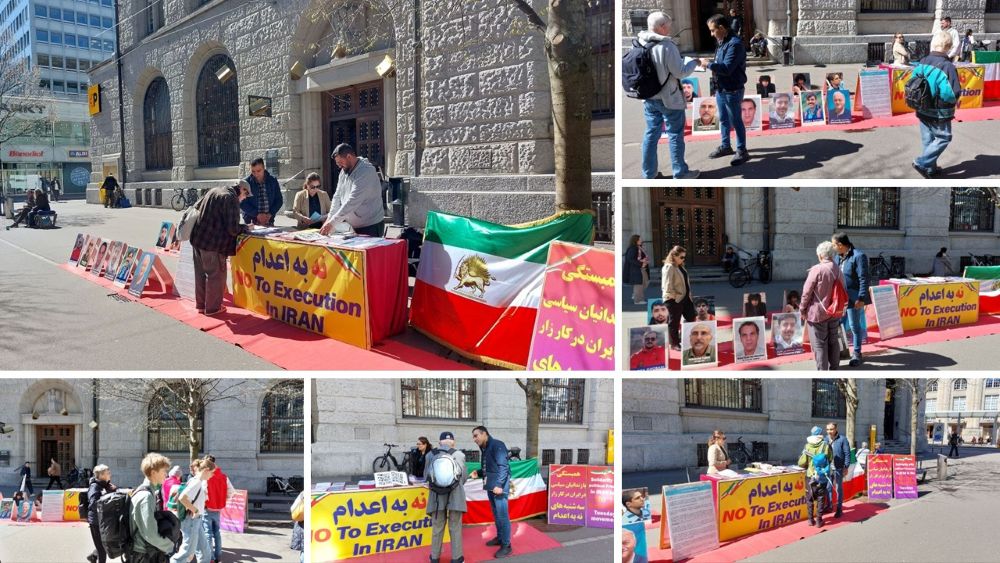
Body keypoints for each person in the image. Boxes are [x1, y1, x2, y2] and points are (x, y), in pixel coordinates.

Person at [637, 12, 701, 180]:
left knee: (651, 134)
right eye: (669, 25)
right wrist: (694, 62)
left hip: (649, 97)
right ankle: (680, 173)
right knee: (675, 134)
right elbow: (680, 72)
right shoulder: (667, 46)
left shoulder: (639, 42)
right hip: (669, 98)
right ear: (662, 27)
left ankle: (649, 174)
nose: (670, 29)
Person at [189, 181, 251, 316]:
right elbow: (233, 228)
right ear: (241, 189)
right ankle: (212, 308)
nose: (245, 198)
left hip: (198, 239)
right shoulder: (230, 198)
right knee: (215, 275)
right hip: (213, 243)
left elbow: (197, 208)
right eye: (246, 194)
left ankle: (201, 305)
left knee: (200, 274)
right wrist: (246, 227)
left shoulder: (214, 190)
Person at [700, 14, 750, 166]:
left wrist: (707, 64)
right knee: (723, 119)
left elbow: (727, 68)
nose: (711, 34)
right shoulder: (722, 41)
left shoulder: (734, 44)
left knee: (735, 120)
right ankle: (726, 146)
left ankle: (742, 150)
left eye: (713, 30)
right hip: (721, 88)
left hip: (732, 89)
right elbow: (720, 63)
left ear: (721, 28)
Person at [910, 31, 961, 178]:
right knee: (944, 137)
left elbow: (913, 81)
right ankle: (922, 163)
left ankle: (930, 169)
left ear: (933, 44)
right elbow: (950, 92)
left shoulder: (923, 61)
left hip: (922, 106)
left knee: (929, 140)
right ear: (949, 47)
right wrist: (952, 102)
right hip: (939, 111)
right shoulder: (947, 66)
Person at [320, 144, 386, 237]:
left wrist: (332, 223)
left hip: (371, 226)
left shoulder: (366, 172)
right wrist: (329, 219)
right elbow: (337, 196)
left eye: (340, 162)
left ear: (349, 156)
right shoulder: (344, 171)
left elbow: (353, 201)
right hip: (353, 226)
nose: (339, 166)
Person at [800, 241, 845, 370]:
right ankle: (835, 368)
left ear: (820, 255)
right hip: (835, 311)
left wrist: (802, 309)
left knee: (819, 345)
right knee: (833, 341)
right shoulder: (838, 268)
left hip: (818, 313)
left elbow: (806, 292)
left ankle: (822, 370)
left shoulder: (817, 269)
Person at [469, 426, 512, 559]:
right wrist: (480, 472)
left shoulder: (497, 445)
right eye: (473, 436)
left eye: (476, 436)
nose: (474, 439)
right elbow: (490, 466)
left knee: (503, 516)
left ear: (485, 434)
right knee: (497, 515)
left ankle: (507, 545)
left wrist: (499, 485)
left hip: (499, 487)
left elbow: (503, 467)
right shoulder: (485, 447)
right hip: (491, 486)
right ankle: (500, 538)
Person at [425, 431, 467, 563]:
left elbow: (427, 476)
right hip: (456, 495)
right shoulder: (459, 455)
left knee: (437, 527)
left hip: (436, 497)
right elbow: (463, 478)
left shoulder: (430, 455)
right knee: (455, 527)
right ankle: (457, 558)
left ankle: (435, 557)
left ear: (439, 442)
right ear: (453, 442)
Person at [128, 453, 176, 563]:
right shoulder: (146, 496)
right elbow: (150, 534)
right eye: (164, 471)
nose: (166, 474)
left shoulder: (148, 491)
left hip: (144, 552)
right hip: (144, 555)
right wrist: (170, 545)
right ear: (153, 472)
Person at [832, 232, 869, 366]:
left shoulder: (858, 256)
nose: (833, 247)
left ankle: (857, 353)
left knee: (854, 326)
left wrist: (861, 297)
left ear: (841, 245)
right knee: (838, 325)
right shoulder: (837, 257)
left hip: (854, 299)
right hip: (840, 299)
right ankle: (842, 351)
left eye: (834, 244)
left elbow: (864, 278)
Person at [171, 458, 215, 563]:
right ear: (206, 470)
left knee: (205, 552)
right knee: (187, 553)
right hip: (191, 520)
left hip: (195, 520)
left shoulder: (196, 481)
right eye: (212, 473)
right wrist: (195, 510)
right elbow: (182, 498)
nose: (212, 475)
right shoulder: (197, 482)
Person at [203, 455, 235, 563]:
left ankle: (210, 557)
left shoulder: (206, 476)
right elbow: (231, 492)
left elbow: (203, 492)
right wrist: (222, 499)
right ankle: (218, 556)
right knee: (217, 533)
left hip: (207, 508)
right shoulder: (224, 476)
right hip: (218, 508)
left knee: (208, 533)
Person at [662, 245, 695, 350]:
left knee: (691, 316)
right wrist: (674, 297)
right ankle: (674, 343)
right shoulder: (669, 267)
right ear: (674, 256)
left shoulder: (680, 266)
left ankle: (682, 337)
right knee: (674, 322)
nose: (683, 259)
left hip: (685, 297)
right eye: (681, 257)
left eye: (684, 257)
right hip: (674, 299)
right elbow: (667, 285)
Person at [86, 464, 118, 563]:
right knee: (102, 549)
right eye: (108, 473)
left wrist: (112, 491)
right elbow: (93, 503)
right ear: (101, 475)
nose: (110, 475)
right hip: (96, 521)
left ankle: (93, 556)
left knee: (105, 544)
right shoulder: (95, 487)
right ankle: (96, 556)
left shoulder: (105, 485)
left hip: (104, 520)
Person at [240, 158, 284, 226]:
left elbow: (279, 200)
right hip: (251, 221)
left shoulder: (273, 181)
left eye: (258, 171)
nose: (256, 174)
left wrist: (270, 214)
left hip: (268, 220)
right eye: (253, 171)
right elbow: (242, 203)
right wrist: (257, 214)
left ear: (264, 168)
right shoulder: (246, 182)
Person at [825, 422, 850, 518]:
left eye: (831, 429)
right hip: (828, 468)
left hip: (839, 468)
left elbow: (847, 454)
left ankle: (839, 509)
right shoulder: (825, 439)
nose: (829, 431)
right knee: (828, 487)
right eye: (827, 429)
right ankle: (830, 505)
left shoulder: (842, 439)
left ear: (835, 429)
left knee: (839, 489)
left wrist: (846, 467)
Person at [805, 452, 833, 527]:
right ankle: (818, 520)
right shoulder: (825, 447)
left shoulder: (807, 448)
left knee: (810, 499)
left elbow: (801, 463)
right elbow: (830, 459)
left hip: (811, 479)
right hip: (822, 481)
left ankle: (810, 520)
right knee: (821, 500)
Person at [624, 235, 649, 304]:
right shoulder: (633, 248)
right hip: (636, 269)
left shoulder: (639, 247)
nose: (641, 240)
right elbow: (631, 259)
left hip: (642, 268)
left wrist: (644, 261)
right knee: (638, 284)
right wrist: (641, 263)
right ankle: (638, 300)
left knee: (646, 282)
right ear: (636, 240)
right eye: (640, 239)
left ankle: (635, 295)